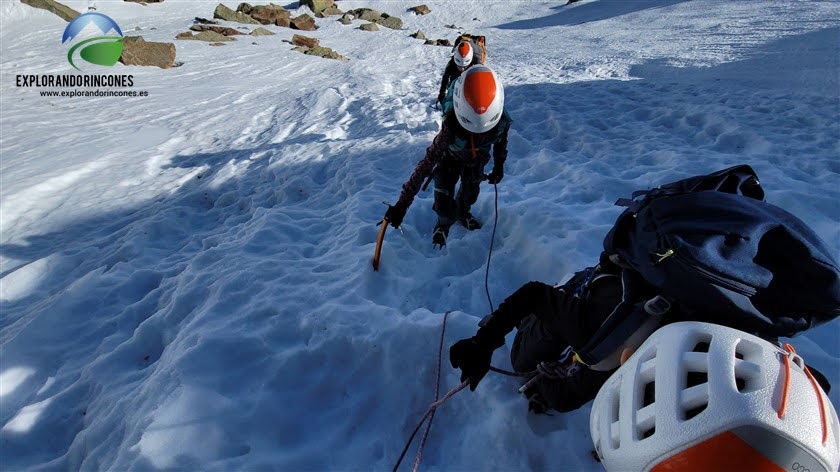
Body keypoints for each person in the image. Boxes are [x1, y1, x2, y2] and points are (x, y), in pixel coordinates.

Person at [383, 65, 512, 248]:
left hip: (475, 162)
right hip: (449, 160)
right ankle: (444, 222)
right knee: (443, 204)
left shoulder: (501, 123)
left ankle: (463, 212)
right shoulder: (452, 127)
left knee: (470, 195)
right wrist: (402, 204)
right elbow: (427, 163)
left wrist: (499, 166)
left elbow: (500, 143)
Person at [436, 41, 475, 108]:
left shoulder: (475, 64)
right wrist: (442, 93)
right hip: (454, 87)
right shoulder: (451, 64)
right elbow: (445, 77)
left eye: (465, 67)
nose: (462, 69)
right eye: (459, 66)